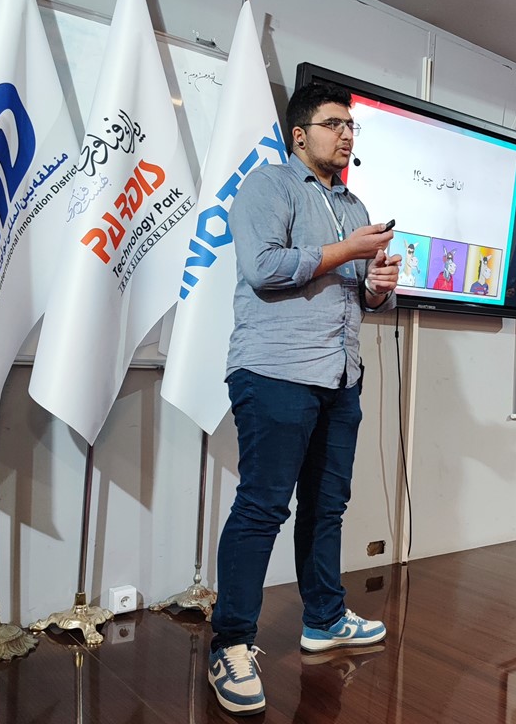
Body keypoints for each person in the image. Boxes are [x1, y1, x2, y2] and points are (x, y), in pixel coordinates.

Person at [207, 81, 400, 716]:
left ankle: (324, 619)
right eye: (333, 124)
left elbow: (359, 295)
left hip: (340, 376)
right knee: (263, 506)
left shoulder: (353, 203)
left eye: (351, 126)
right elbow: (263, 268)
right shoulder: (268, 186)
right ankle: (231, 645)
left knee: (327, 506)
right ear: (300, 134)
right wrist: (350, 250)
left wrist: (377, 284)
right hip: (275, 372)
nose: (346, 135)